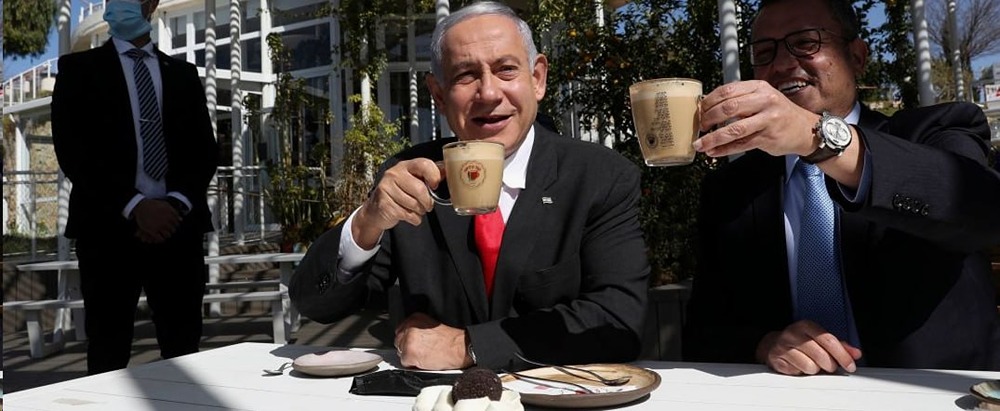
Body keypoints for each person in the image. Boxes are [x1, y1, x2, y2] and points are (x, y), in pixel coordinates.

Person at [291, 1, 650, 371]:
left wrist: (468, 346)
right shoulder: (411, 177)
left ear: (537, 79)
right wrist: (366, 222)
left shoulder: (600, 177)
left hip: (561, 394)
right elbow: (315, 305)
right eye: (465, 75)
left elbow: (619, 320)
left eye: (506, 69)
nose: (489, 93)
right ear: (439, 95)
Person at [683, 0, 1000, 375]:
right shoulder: (730, 188)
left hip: (939, 392)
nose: (782, 64)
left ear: (857, 56)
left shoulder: (933, 131)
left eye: (806, 42)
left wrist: (817, 139)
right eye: (765, 52)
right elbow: (703, 332)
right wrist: (763, 344)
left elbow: (981, 210)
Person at [51, 0, 218, 374]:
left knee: (184, 348)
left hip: (178, 231)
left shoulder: (183, 74)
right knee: (107, 352)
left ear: (151, 4)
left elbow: (204, 152)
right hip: (107, 232)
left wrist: (174, 205)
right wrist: (135, 205)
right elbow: (74, 151)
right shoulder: (78, 70)